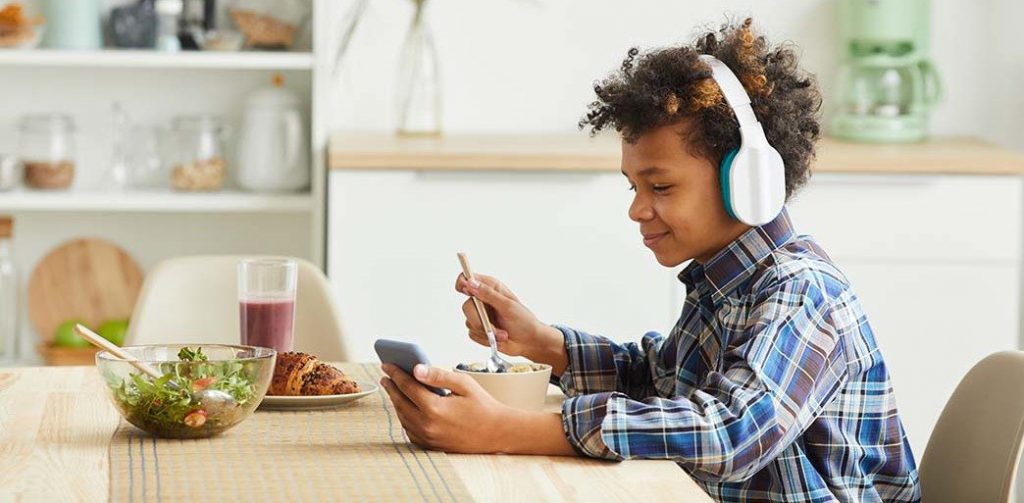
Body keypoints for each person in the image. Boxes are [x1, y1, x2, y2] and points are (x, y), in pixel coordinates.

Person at [379, 18, 921, 502]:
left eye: (659, 186)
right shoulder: (723, 281)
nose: (638, 209)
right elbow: (663, 383)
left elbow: (730, 433)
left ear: (747, 181)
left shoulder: (801, 292)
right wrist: (544, 344)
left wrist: (503, 430)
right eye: (633, 185)